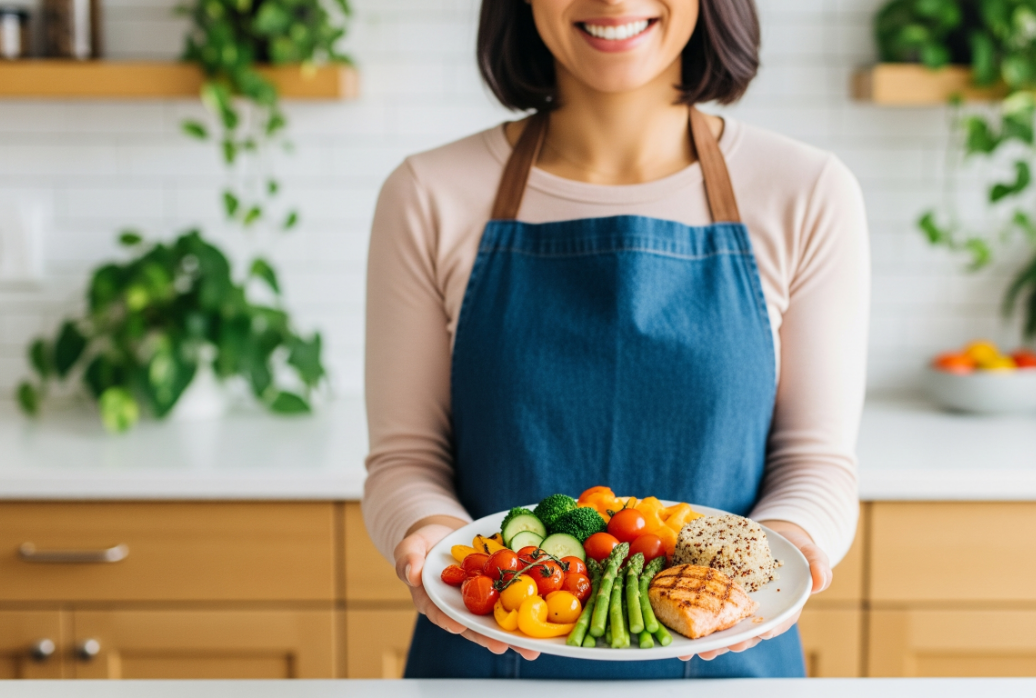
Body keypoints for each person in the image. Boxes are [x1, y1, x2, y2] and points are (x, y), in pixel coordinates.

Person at [363, 0, 869, 679]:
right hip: (484, 655)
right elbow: (406, 458)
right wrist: (427, 535)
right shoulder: (427, 193)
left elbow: (815, 459)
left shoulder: (807, 192)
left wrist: (788, 549)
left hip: (732, 655)